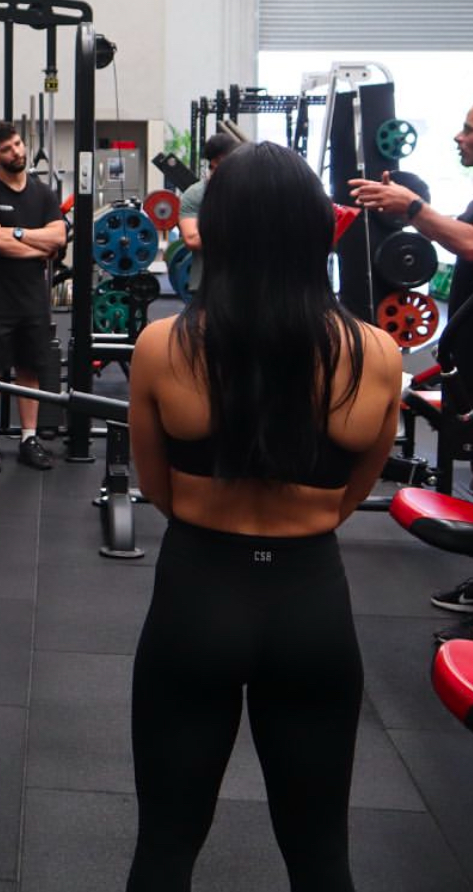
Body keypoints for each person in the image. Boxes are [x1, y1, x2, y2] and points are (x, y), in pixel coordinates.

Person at [126, 141, 400, 891]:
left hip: (197, 596)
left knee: (164, 848)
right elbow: (350, 497)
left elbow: (156, 488)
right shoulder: (378, 354)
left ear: (217, 232)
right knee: (321, 857)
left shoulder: (161, 346)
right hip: (310, 605)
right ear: (317, 231)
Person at [350, 97, 473, 647]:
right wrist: (400, 206)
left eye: (469, 129)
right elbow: (456, 236)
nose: (459, 138)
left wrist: (413, 205)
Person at [0, 122, 66, 473]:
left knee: (30, 369)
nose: (16, 152)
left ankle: (28, 439)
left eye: (17, 144)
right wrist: (37, 248)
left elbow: (59, 238)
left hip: (33, 299)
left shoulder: (43, 193)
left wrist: (18, 234)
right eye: (7, 149)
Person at [175, 132, 240, 305]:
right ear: (215, 162)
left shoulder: (249, 191)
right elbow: (192, 239)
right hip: (207, 285)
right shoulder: (195, 195)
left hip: (245, 284)